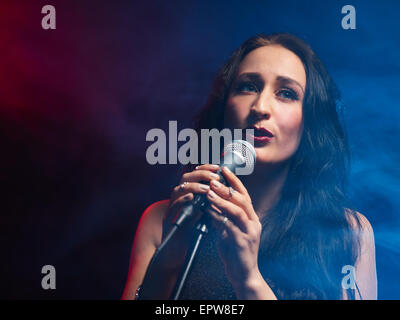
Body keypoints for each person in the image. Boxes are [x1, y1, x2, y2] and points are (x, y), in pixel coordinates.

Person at [121, 33, 377, 300]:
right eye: (248, 87)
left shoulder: (348, 231)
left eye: (286, 93)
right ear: (224, 107)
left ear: (309, 120)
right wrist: (168, 261)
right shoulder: (162, 219)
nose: (260, 107)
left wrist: (249, 281)